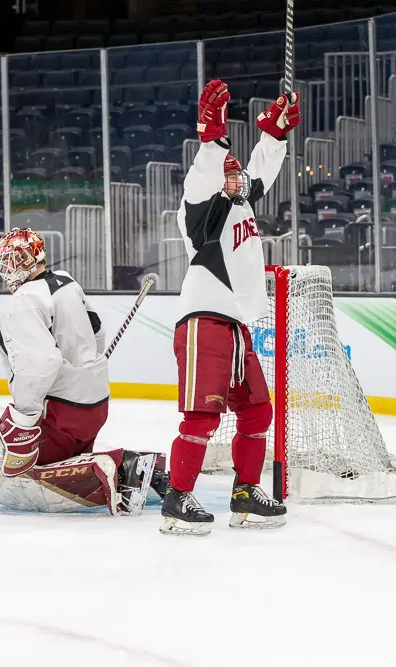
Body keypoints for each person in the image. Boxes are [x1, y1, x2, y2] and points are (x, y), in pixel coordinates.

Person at [161, 80, 300, 536]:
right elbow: (205, 177)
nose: (236, 176)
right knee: (202, 415)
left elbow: (259, 173)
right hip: (205, 321)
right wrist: (212, 136)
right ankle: (177, 499)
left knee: (258, 411)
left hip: (236, 326)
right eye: (228, 172)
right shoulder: (200, 211)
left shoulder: (238, 202)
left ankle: (244, 493)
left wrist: (274, 133)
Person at [0, 227, 167, 515]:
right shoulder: (66, 281)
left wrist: (24, 420)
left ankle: (112, 465)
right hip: (96, 404)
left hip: (61, 412)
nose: (9, 269)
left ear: (30, 259)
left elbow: (40, 365)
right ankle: (134, 467)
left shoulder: (21, 303)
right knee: (60, 447)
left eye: (14, 260)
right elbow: (97, 331)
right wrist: (86, 365)